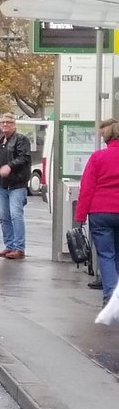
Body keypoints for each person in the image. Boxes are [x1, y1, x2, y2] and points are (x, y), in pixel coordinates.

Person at [75, 118, 119, 307]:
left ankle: (111, 296)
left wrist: (80, 215)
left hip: (100, 212)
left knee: (107, 255)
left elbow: (87, 188)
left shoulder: (98, 157)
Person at [0, 113, 32, 260]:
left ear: (14, 124)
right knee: (4, 216)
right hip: (0, 184)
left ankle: (19, 248)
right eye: (3, 122)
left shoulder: (21, 139)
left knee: (16, 215)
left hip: (17, 184)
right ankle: (9, 245)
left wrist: (10, 166)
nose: (5, 124)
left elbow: (24, 157)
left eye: (9, 122)